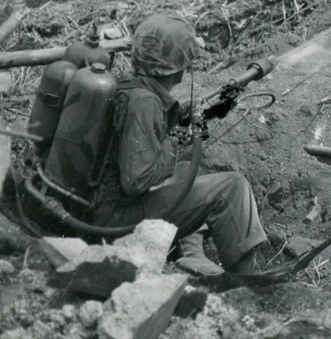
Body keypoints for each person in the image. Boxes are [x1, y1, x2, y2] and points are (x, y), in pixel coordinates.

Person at [89, 14, 277, 277]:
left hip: (96, 206)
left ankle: (193, 255)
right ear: (181, 66)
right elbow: (137, 179)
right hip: (111, 220)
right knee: (231, 188)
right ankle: (247, 284)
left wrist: (189, 116)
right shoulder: (145, 103)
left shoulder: (130, 87)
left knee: (186, 169)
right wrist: (173, 142)